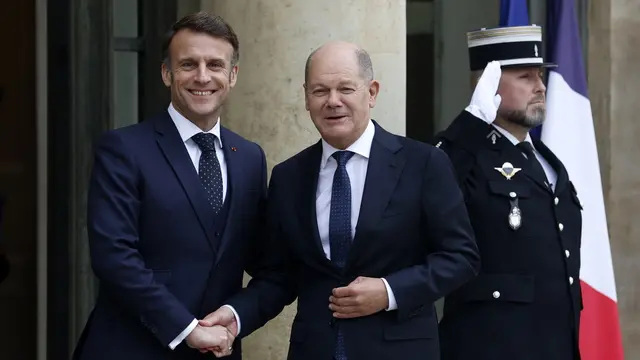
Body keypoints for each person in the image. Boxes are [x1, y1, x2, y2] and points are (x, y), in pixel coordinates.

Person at [198, 41, 480, 360]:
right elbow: (279, 275)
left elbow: (461, 257)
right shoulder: (289, 176)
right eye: (320, 91)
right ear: (306, 97)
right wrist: (236, 316)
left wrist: (388, 292)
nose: (333, 102)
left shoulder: (423, 163)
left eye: (345, 88)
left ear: (371, 92)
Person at [72, 12, 268, 360]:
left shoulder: (250, 158)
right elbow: (114, 257)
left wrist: (237, 317)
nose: (203, 76)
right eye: (189, 64)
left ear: (233, 75)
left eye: (215, 65)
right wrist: (187, 329)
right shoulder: (124, 149)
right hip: (130, 349)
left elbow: (267, 263)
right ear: (167, 73)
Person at [433, 25, 583, 360]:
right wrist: (472, 122)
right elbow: (428, 189)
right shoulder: (465, 155)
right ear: (488, 84)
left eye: (540, 75)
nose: (540, 87)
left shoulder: (547, 161)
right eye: (525, 77)